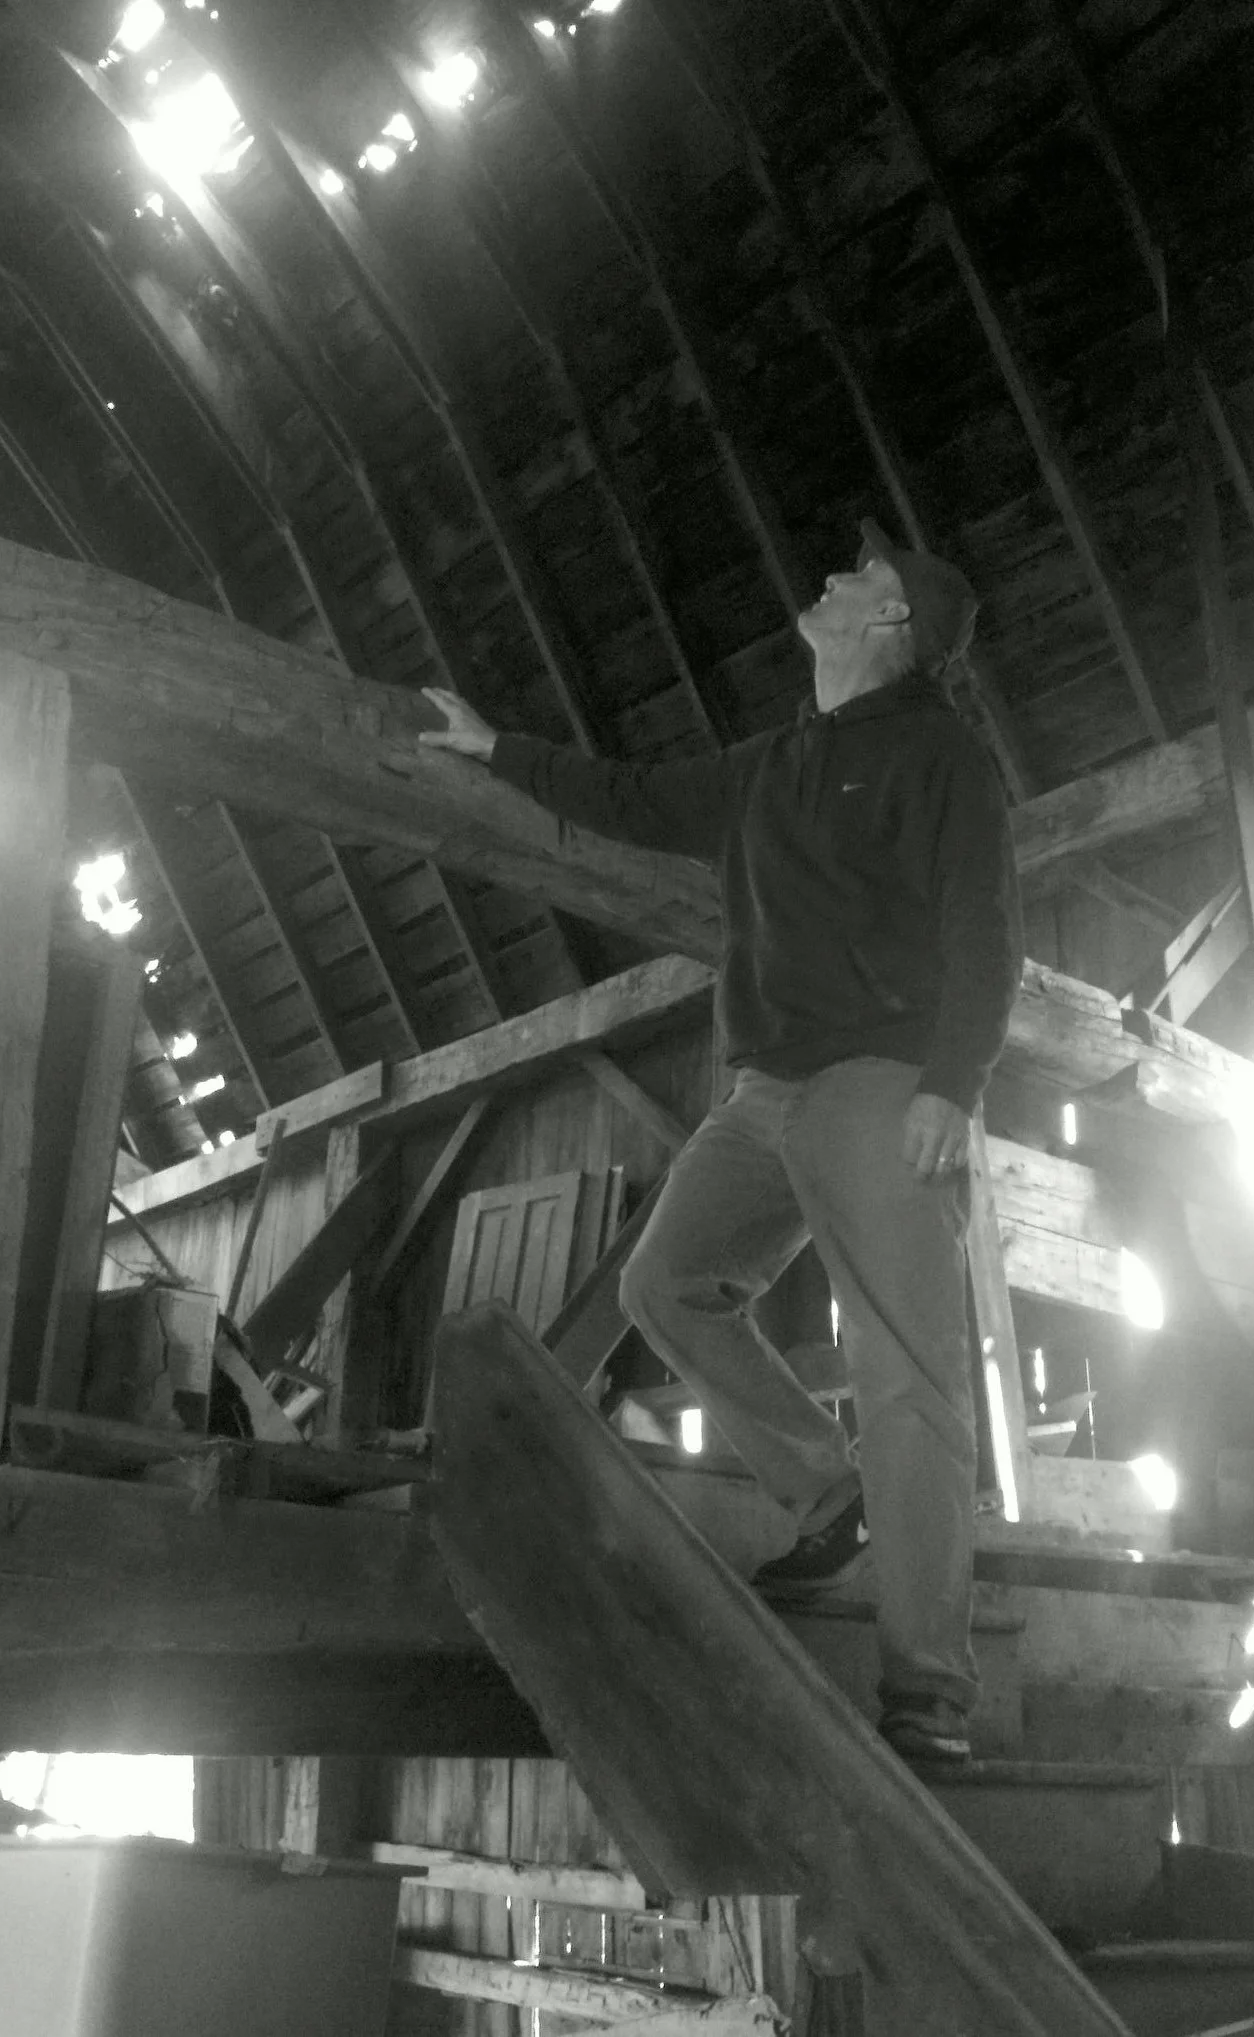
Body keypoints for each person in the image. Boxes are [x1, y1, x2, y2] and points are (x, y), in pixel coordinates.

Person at [420, 521, 1023, 1764]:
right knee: (663, 1284)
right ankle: (825, 1489)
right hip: (763, 1095)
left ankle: (928, 1695)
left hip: (879, 1081)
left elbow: (985, 931)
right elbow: (630, 798)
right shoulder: (771, 763)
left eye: (857, 575)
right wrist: (494, 749)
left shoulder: (941, 757)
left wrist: (948, 1088)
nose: (831, 576)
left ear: (892, 625)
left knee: (911, 1379)